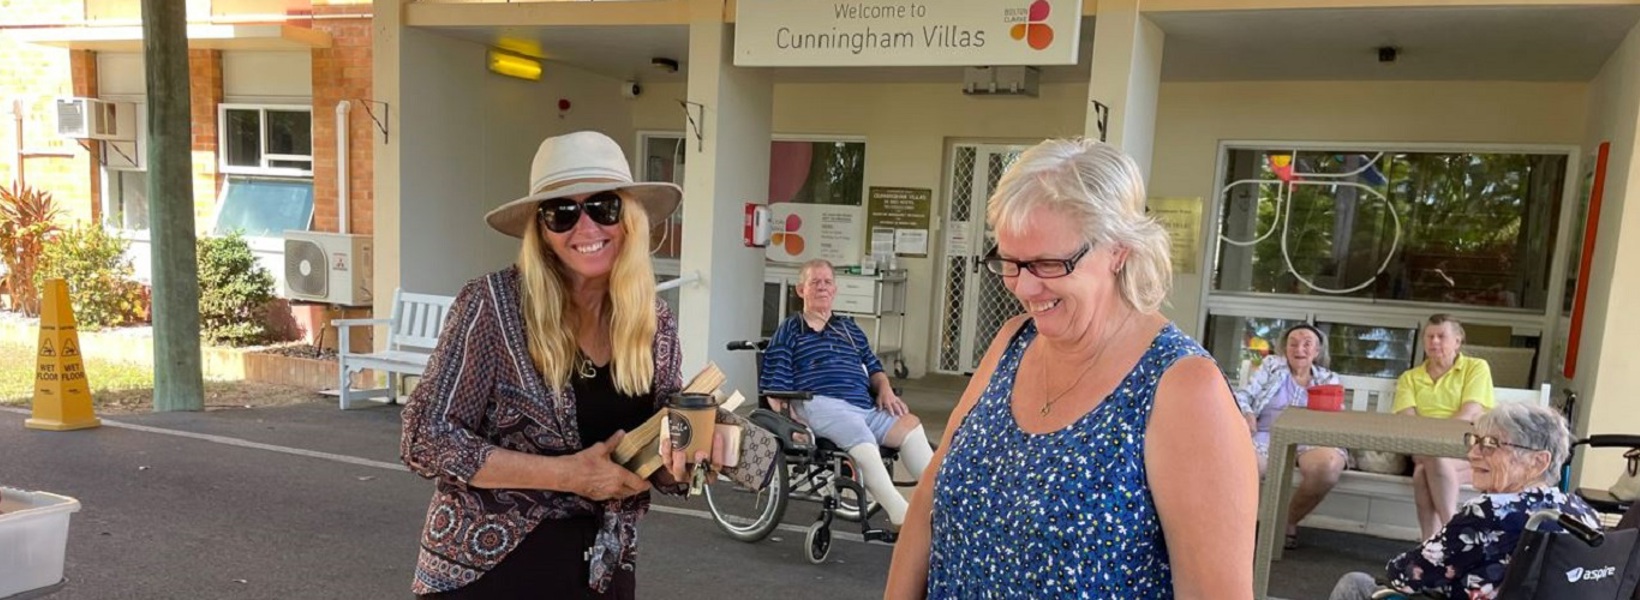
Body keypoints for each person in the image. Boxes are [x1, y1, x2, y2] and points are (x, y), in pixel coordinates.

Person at [399, 131, 776, 599]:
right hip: (489, 571)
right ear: (540, 229)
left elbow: (656, 448)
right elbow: (424, 436)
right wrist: (568, 475)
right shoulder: (492, 306)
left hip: (603, 566)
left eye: (603, 207)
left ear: (629, 218)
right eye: (562, 212)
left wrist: (691, 459)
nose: (586, 228)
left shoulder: (652, 320)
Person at [885, 138, 1258, 599]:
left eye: (1047, 263)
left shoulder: (1184, 389)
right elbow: (927, 501)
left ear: (1119, 249)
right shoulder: (1012, 342)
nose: (1023, 286)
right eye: (1010, 262)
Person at [1329, 403, 1598, 600]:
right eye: (1476, 441)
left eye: (1491, 444)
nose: (1473, 453)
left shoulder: (1489, 512)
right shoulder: (1583, 514)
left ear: (1538, 461)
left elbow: (1405, 575)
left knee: (1356, 584)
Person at [760, 258, 935, 527]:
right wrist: (789, 420)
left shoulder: (849, 329)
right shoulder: (790, 330)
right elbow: (775, 382)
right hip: (819, 403)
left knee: (909, 425)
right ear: (800, 290)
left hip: (862, 406)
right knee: (858, 431)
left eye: (827, 282)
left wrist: (885, 389)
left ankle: (942, 500)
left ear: (835, 290)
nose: (822, 287)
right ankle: (902, 513)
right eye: (814, 282)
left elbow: (874, 367)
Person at [1236, 323, 1347, 550]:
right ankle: (1240, 531)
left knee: (1328, 466)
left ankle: (1284, 523)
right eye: (1293, 343)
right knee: (1246, 464)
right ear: (1285, 348)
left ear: (1317, 352)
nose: (1300, 349)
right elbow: (1243, 395)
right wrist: (1247, 413)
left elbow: (1336, 414)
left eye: (1308, 344)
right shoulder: (1271, 367)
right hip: (1268, 433)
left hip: (1310, 437)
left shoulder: (1328, 378)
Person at [1396, 314, 1496, 540]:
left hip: (1469, 447)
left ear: (1458, 341)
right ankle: (1449, 537)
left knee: (1424, 471)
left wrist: (1434, 442)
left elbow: (1470, 413)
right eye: (1430, 337)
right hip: (1424, 447)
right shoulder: (1410, 378)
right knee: (1432, 459)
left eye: (1442, 336)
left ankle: (1432, 542)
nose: (1434, 342)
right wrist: (1432, 443)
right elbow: (1407, 421)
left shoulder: (1476, 367)